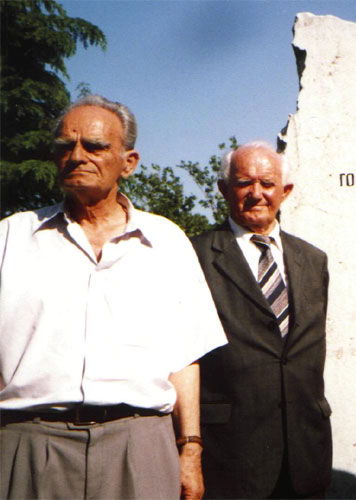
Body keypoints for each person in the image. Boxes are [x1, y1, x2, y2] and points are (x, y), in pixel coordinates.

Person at [0, 94, 227, 499]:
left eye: (94, 146)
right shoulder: (11, 237)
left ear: (129, 162)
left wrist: (190, 450)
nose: (77, 156)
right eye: (66, 146)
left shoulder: (167, 241)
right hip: (30, 445)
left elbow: (184, 359)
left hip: (139, 447)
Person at [191, 141, 332, 499]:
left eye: (267, 184)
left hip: (304, 452)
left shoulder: (313, 260)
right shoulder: (195, 256)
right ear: (224, 189)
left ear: (286, 191)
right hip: (230, 453)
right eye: (244, 183)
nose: (257, 193)